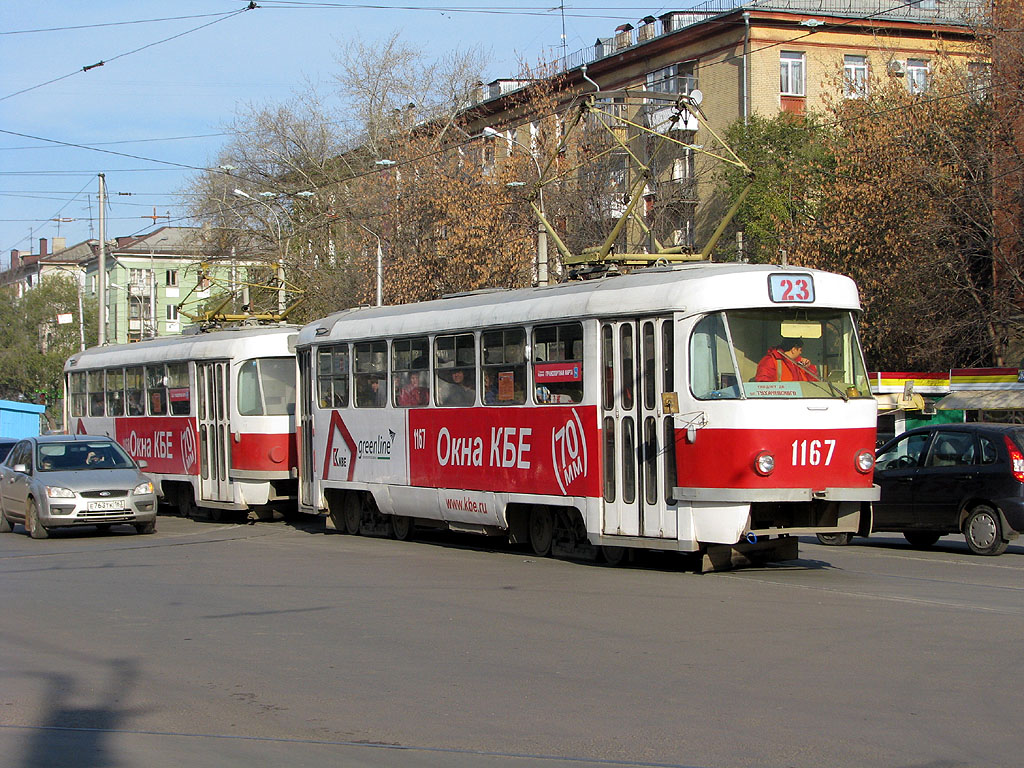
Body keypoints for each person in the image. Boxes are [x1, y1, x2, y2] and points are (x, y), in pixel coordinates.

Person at [754, 340, 819, 382]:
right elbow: (763, 385)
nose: (800, 353)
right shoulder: (770, 361)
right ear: (793, 350)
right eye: (800, 350)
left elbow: (814, 383)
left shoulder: (799, 364)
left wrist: (808, 367)